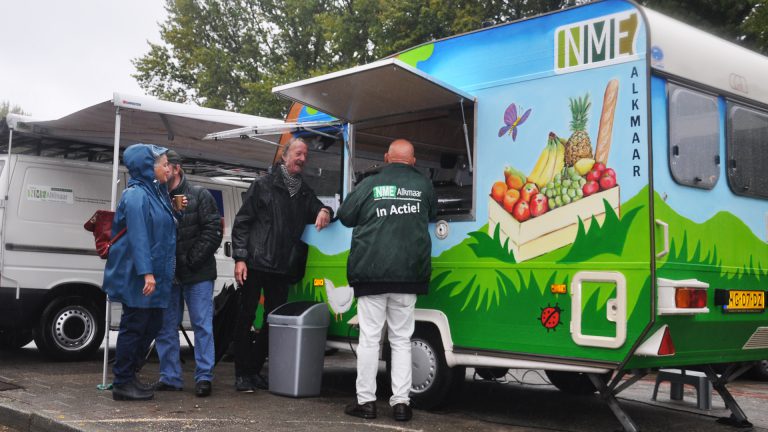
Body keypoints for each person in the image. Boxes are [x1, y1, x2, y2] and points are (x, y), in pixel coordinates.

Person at [337, 139, 436, 421]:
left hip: (372, 273)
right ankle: (401, 404)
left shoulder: (370, 184)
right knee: (402, 340)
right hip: (408, 274)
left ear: (386, 158)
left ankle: (366, 402)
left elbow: (345, 216)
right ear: (413, 161)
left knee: (370, 339)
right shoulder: (423, 185)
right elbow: (432, 213)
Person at [231, 137, 333, 392]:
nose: (302, 159)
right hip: (255, 263)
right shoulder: (262, 184)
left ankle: (254, 370)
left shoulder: (303, 190)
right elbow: (242, 222)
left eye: (305, 155)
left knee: (273, 321)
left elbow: (318, 206)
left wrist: (324, 211)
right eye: (298, 153)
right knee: (244, 319)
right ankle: (242, 373)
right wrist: (240, 257)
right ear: (285, 156)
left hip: (281, 267)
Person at [102, 143, 177, 401]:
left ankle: (130, 375)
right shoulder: (136, 195)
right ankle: (122, 382)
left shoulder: (156, 193)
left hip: (155, 275)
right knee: (134, 327)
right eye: (164, 164)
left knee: (152, 325)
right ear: (148, 167)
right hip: (140, 276)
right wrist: (147, 272)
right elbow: (138, 236)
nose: (169, 168)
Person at [152, 150, 223, 397]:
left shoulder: (199, 195)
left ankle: (204, 377)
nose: (161, 169)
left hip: (197, 273)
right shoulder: (157, 197)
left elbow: (214, 230)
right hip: (169, 275)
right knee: (165, 327)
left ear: (177, 168)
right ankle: (170, 377)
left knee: (202, 325)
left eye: (165, 165)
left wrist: (192, 260)